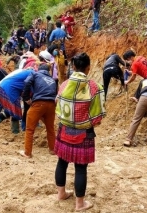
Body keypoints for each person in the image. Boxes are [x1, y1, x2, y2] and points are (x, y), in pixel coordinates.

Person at [54, 53, 106, 212]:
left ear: (74, 67)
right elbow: (98, 116)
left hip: (63, 130)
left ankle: (61, 194)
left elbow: (58, 107)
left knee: (62, 162)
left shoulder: (64, 85)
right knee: (81, 168)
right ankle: (79, 204)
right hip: (84, 133)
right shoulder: (95, 87)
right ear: (88, 68)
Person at [19, 63, 57, 158]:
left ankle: (27, 152)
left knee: (30, 129)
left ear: (39, 69)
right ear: (48, 71)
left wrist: (26, 97)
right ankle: (53, 149)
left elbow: (27, 82)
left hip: (39, 103)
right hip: (52, 104)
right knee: (50, 128)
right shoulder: (52, 79)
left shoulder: (35, 74)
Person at [0, 68, 35, 137]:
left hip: (5, 87)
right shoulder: (33, 74)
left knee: (9, 111)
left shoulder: (26, 71)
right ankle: (14, 132)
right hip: (10, 89)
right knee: (15, 110)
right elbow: (28, 87)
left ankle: (13, 131)